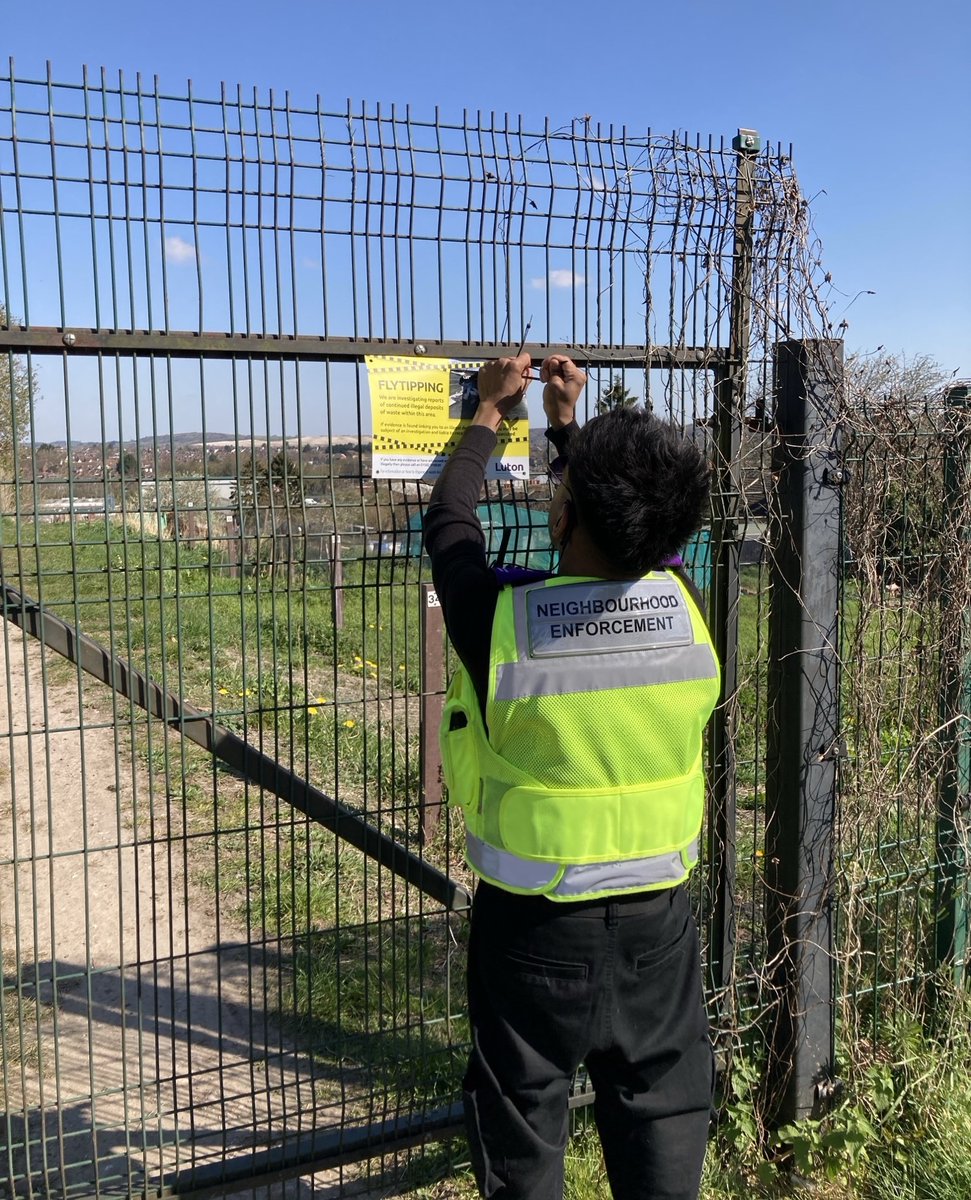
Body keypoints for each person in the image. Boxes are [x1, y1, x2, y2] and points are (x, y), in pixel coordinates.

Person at [424, 351, 720, 1200]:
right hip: (658, 931)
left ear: (567, 510)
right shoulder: (685, 613)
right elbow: (620, 532)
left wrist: (488, 413)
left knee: (521, 1132)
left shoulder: (501, 623)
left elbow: (450, 523)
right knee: (662, 1117)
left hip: (530, 932)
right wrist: (566, 428)